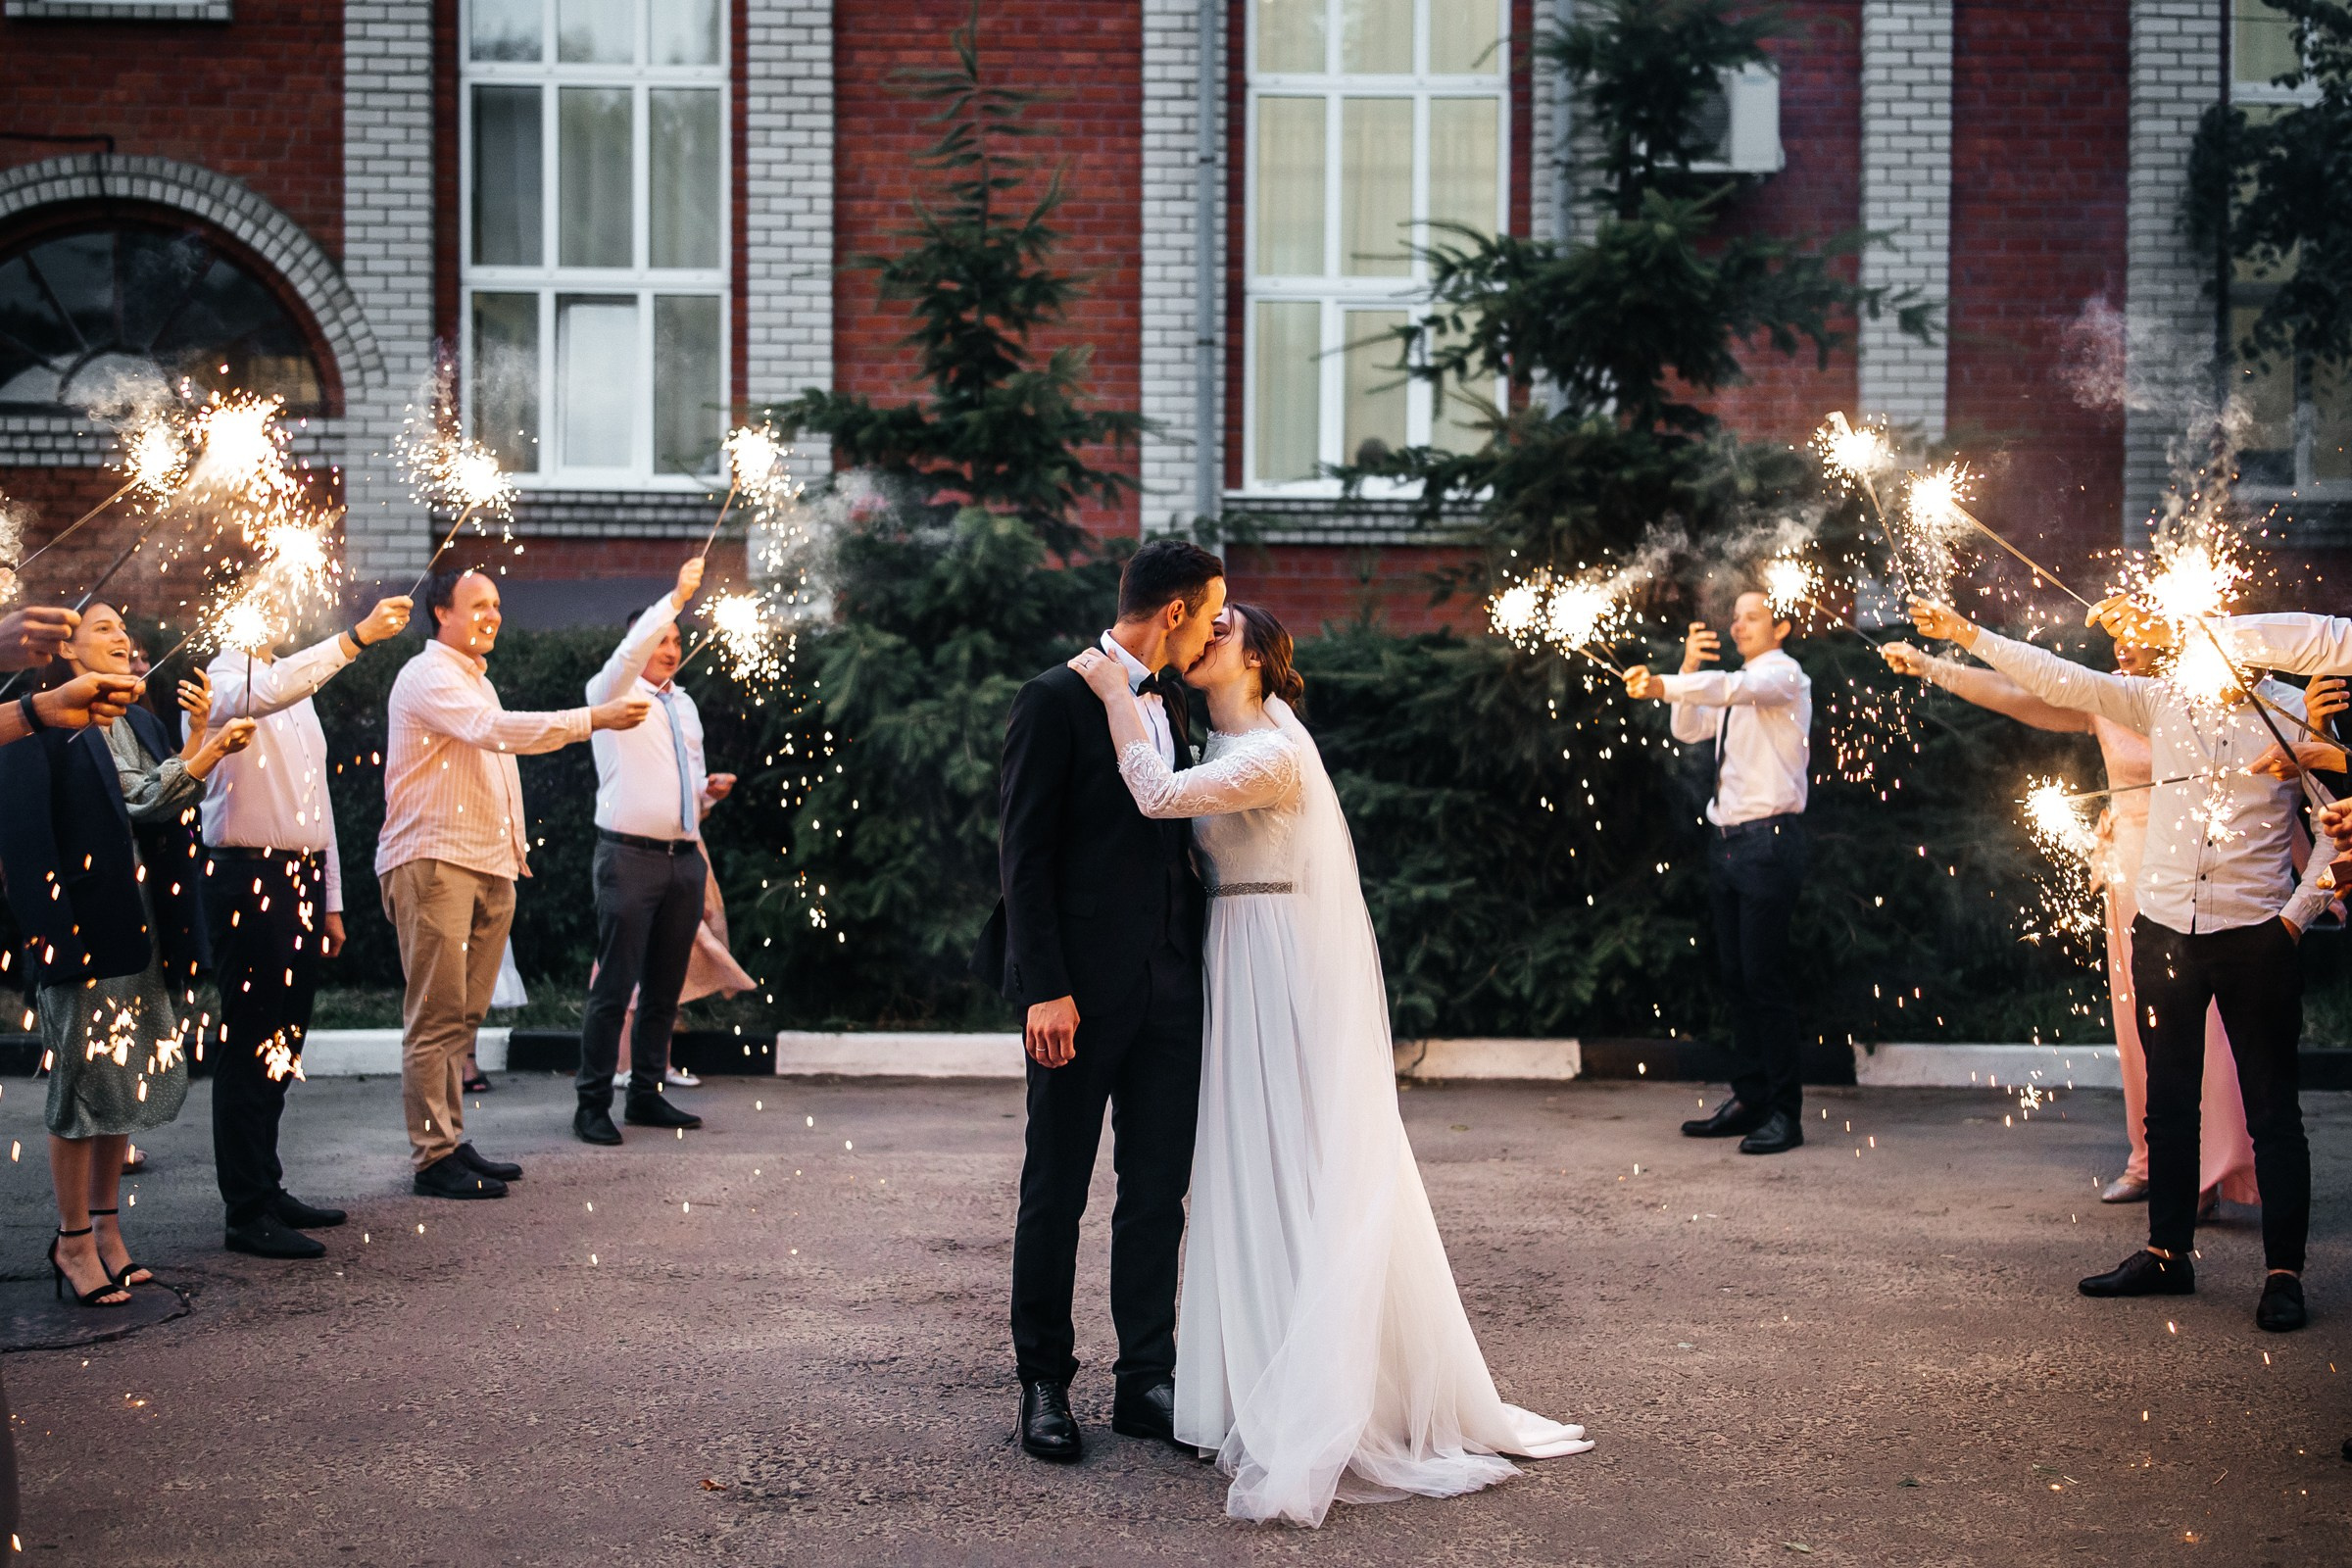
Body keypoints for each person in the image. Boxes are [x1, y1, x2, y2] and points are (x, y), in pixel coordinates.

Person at [1067, 603, 1591, 1526]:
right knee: (1243, 1164)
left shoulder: (1273, 750)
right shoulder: (1214, 739)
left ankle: (1314, 1383)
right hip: (1232, 951)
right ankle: (1244, 1375)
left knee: (1295, 1160)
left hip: (1276, 961)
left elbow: (1154, 794)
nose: (1206, 636)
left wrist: (1113, 689)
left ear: (1261, 658)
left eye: (1224, 629)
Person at [1917, 595, 2329, 1333]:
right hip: (2165, 929)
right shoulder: (2161, 700)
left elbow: (2335, 826)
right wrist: (1968, 634)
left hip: (2256, 937)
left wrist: (2292, 923)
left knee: (2274, 1111)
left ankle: (2282, 1276)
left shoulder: (2300, 711)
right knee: (2167, 1103)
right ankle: (2167, 1255)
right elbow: (2059, 679)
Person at [1880, 637, 2298, 1211]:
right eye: (2117, 643)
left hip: (2199, 876)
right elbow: (2014, 692)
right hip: (2128, 874)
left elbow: (2268, 781)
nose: (2124, 652)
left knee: (2209, 1033)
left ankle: (2206, 1172)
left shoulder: (2199, 701)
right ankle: (2151, 1160)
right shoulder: (2106, 698)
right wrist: (1932, 666)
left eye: (2137, 641)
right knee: (2138, 1027)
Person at [971, 537, 1221, 1463]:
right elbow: (1023, 858)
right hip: (1076, 997)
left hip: (1169, 986)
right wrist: (1047, 990)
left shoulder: (1175, 703)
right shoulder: (1053, 700)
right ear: (1174, 615)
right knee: (1057, 1191)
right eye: (1211, 612)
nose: (1213, 631)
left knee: (1157, 1194)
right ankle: (1043, 1383)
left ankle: (1145, 1383)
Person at [0, 604, 255, 1305]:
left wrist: (197, 740)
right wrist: (203, 755)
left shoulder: (139, 720)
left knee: (125, 1082)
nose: (124, 640)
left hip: (143, 928)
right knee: (84, 1087)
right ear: (68, 651)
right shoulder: (36, 718)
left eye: (124, 630)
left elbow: (165, 811)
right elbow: (109, 811)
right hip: (83, 930)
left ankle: (109, 1229)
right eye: (105, 629)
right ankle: (72, 1241)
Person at [378, 568, 649, 1199]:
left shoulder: (476, 679)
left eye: (498, 604)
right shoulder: (427, 676)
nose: (493, 614)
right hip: (435, 861)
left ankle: (448, 1140)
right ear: (442, 612)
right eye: (479, 604)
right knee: (436, 1017)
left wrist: (513, 854)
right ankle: (431, 1156)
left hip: (488, 865)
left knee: (464, 1016)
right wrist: (595, 718)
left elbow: (493, 768)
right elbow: (497, 734)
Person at [200, 594, 414, 1258]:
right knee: (251, 1041)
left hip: (299, 876)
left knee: (283, 1042)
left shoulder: (296, 683)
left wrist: (332, 900)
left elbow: (315, 798)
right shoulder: (220, 678)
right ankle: (246, 1208)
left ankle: (269, 1184)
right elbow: (261, 695)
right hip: (246, 874)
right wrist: (355, 638)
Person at [1621, 590, 1814, 1154]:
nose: (1738, 625)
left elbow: (1732, 688)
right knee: (1736, 980)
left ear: (1780, 627)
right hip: (1728, 846)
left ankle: (1786, 1113)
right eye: (1735, 617)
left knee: (1764, 982)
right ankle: (1751, 1098)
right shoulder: (1737, 684)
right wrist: (1683, 671)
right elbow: (1688, 729)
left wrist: (1661, 683)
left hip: (1768, 846)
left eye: (1751, 616)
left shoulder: (1783, 678)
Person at [572, 555, 736, 1145]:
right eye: (661, 639)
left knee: (664, 990)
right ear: (638, 644)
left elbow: (684, 785)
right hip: (628, 858)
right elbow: (626, 657)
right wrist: (676, 596)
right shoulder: (610, 691)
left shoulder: (683, 705)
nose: (670, 648)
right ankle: (592, 1104)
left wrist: (708, 795)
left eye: (676, 639)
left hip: (683, 860)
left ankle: (646, 1096)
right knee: (615, 987)